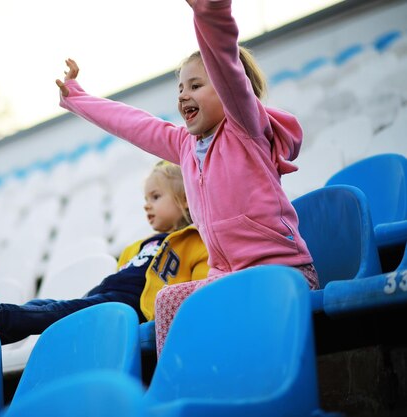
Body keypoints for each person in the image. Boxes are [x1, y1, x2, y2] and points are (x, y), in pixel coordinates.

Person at [55, 0, 320, 355]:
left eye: (196, 85)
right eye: (180, 88)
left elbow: (224, 59)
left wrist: (209, 11)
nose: (183, 95)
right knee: (169, 300)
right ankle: (181, 387)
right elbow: (132, 123)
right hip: (226, 279)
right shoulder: (184, 145)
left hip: (281, 273)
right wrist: (78, 97)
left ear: (228, 92)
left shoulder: (245, 126)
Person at [0, 161, 209, 344]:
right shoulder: (138, 246)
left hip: (127, 308)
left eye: (156, 197)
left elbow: (200, 294)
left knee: (56, 311)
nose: (147, 205)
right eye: (146, 198)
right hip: (104, 297)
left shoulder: (196, 240)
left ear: (185, 199)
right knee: (42, 304)